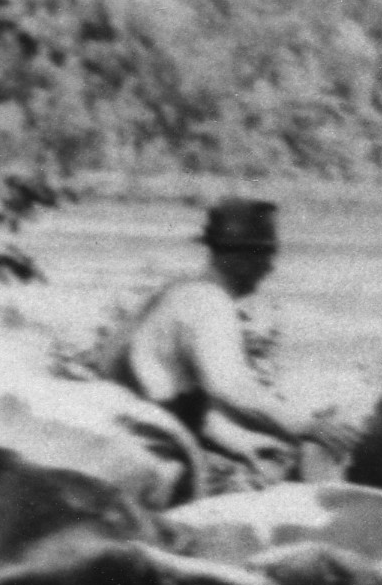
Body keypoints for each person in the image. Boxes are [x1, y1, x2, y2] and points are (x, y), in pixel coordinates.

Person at [112, 199, 344, 484]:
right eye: (264, 255)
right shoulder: (209, 303)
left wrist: (239, 443)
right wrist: (304, 425)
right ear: (238, 257)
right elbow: (230, 386)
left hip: (135, 425)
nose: (269, 267)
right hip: (147, 445)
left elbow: (179, 397)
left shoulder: (181, 292)